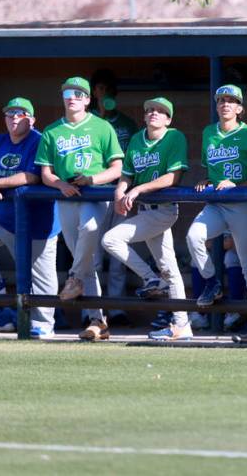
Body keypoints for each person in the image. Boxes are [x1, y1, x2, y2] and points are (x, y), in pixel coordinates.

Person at [0, 97, 60, 338]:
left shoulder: (39, 141)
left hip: (37, 225)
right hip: (2, 220)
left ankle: (44, 326)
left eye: (21, 114)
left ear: (32, 119)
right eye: (10, 114)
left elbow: (32, 177)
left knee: (41, 279)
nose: (14, 118)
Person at [35, 76, 124, 342]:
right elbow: (45, 173)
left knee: (90, 228)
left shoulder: (102, 126)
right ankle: (98, 321)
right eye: (67, 93)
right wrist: (60, 184)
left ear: (87, 99)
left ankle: (73, 277)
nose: (72, 97)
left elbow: (117, 168)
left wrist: (92, 180)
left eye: (78, 93)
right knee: (87, 262)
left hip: (95, 195)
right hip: (67, 197)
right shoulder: (52, 131)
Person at [186, 84, 247, 344]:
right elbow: (210, 169)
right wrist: (204, 180)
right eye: (221, 100)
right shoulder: (208, 133)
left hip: (244, 203)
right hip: (216, 203)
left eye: (231, 100)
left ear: (240, 108)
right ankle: (212, 282)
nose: (225, 104)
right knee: (193, 236)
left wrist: (240, 186)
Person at [101, 97, 191, 341]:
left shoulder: (174, 137)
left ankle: (151, 279)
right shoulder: (136, 140)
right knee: (170, 270)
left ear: (168, 119)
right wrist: (121, 191)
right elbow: (127, 175)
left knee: (111, 239)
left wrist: (138, 190)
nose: (154, 113)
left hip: (163, 210)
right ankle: (182, 325)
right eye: (150, 110)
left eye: (160, 111)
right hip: (144, 211)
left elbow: (173, 177)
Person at [90, 69, 139, 327]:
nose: (104, 94)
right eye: (100, 89)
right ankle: (96, 312)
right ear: (93, 92)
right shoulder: (87, 124)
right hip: (93, 194)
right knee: (94, 254)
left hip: (118, 191)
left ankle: (117, 308)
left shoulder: (127, 124)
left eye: (108, 89)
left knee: (117, 251)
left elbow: (132, 161)